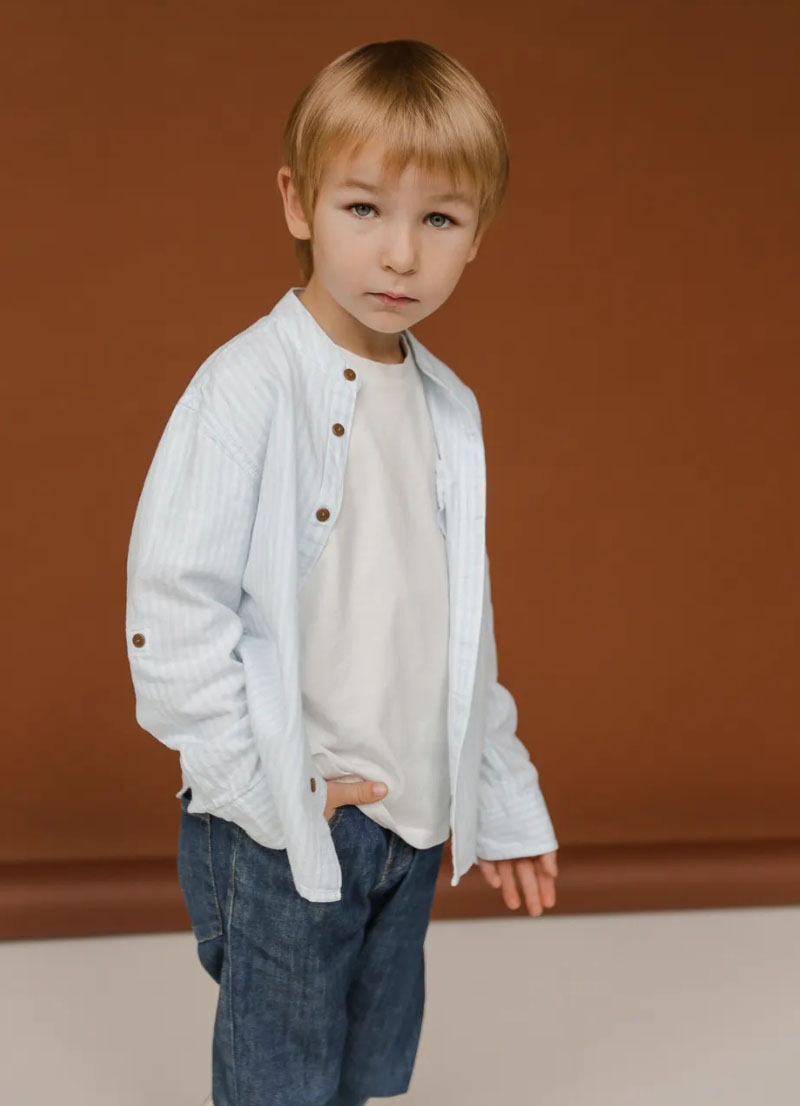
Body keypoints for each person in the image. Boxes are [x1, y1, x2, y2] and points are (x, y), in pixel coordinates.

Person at [125, 38, 559, 1106]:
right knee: (281, 1074)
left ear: (477, 236)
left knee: (362, 1065)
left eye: (439, 219)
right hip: (288, 820)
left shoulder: (450, 408)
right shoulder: (247, 388)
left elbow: (460, 627)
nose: (399, 254)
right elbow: (173, 611)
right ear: (297, 202)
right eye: (363, 208)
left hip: (408, 816)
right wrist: (264, 790)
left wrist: (500, 792)